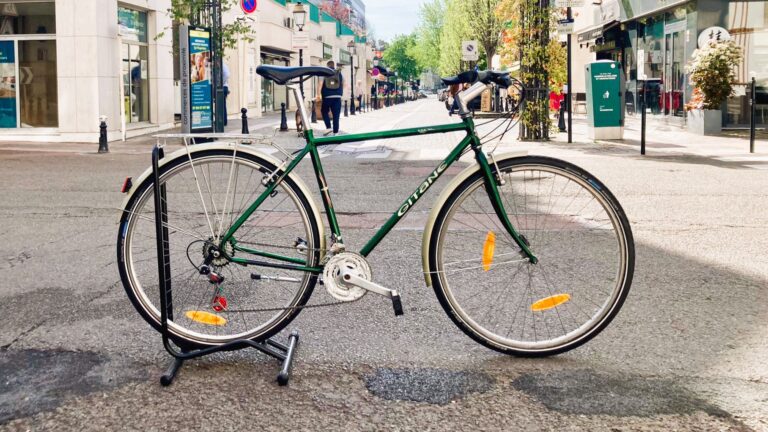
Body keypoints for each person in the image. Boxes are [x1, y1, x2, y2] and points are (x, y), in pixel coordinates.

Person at [318, 60, 343, 135]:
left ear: (327, 66)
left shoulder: (324, 73)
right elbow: (344, 84)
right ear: (333, 65)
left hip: (327, 96)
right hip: (337, 96)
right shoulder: (339, 73)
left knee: (324, 111)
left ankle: (328, 127)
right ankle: (336, 132)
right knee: (336, 115)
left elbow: (320, 84)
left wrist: (318, 94)